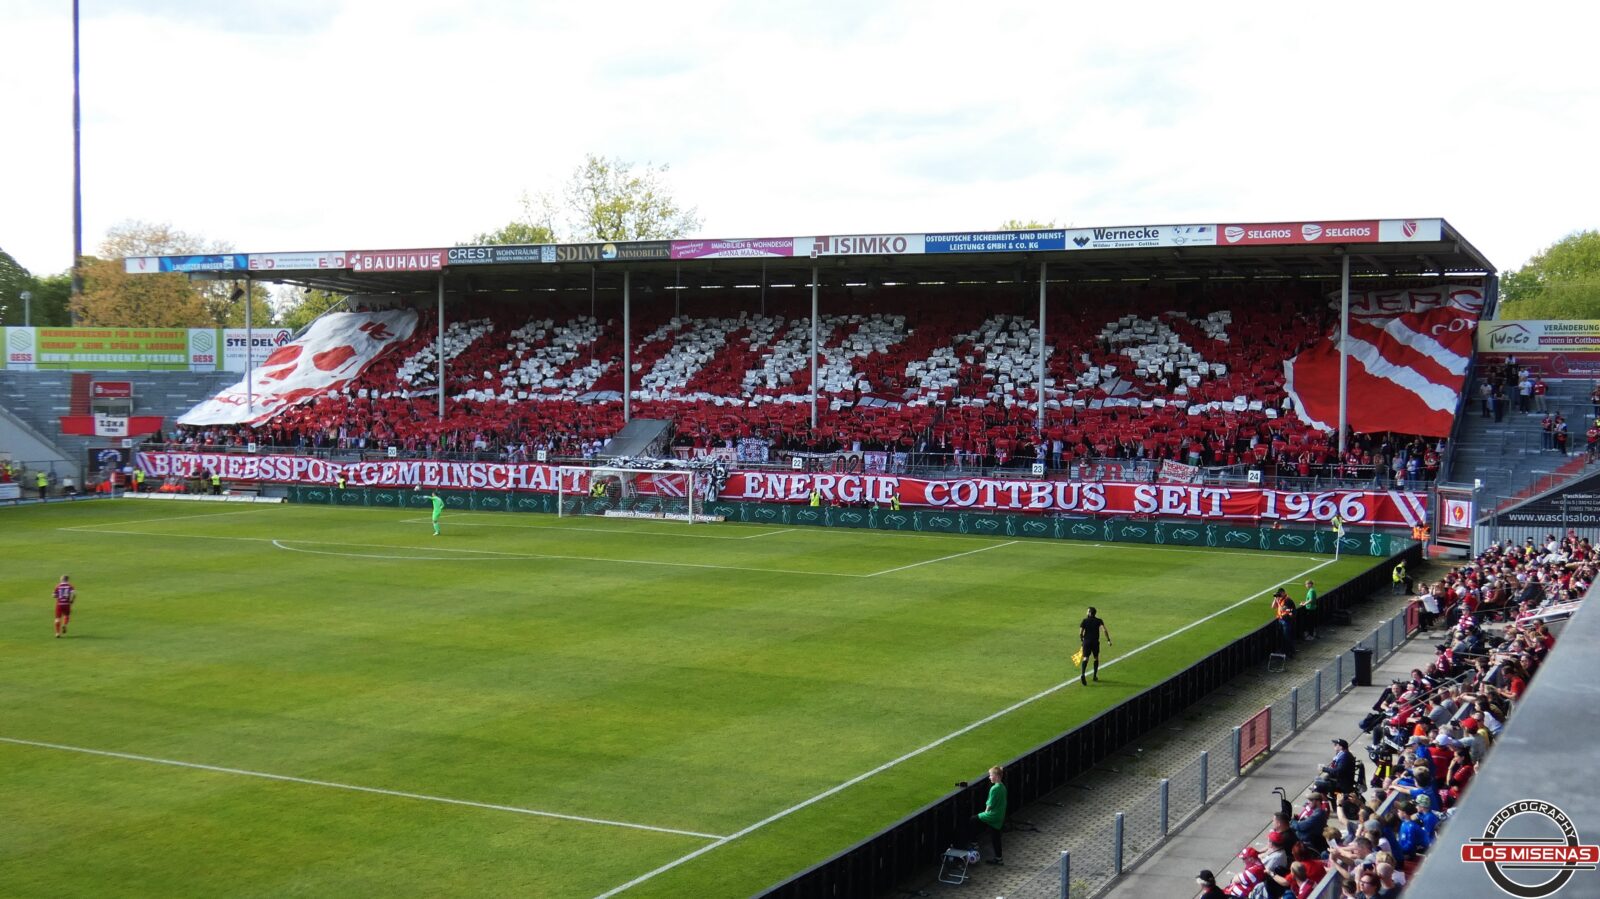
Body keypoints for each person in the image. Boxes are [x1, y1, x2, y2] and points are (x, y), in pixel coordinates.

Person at [972, 765, 1006, 865]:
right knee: (996, 837)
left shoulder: (994, 788)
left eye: (991, 775)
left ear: (996, 776)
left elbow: (990, 804)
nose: (989, 777)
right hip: (999, 816)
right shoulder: (1002, 787)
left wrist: (985, 813)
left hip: (993, 816)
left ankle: (974, 843)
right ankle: (999, 858)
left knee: (973, 819)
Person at [1079, 606, 1112, 684]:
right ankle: (1094, 676)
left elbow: (1080, 633)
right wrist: (1108, 640)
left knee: (1085, 658)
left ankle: (1083, 674)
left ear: (1090, 613)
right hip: (1095, 642)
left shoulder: (1084, 621)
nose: (1086, 612)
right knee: (1096, 658)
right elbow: (1104, 630)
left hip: (1086, 641)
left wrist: (1082, 639)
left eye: (1087, 611)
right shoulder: (1099, 621)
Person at [1272, 588, 1296, 657]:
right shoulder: (1280, 599)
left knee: (1287, 636)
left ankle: (1290, 652)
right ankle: (1285, 650)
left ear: (1283, 593)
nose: (1279, 595)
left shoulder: (1287, 600)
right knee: (1283, 636)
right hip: (1281, 619)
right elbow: (1273, 606)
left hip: (1287, 620)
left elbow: (1283, 609)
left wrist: (1278, 601)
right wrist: (1275, 599)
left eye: (1280, 594)